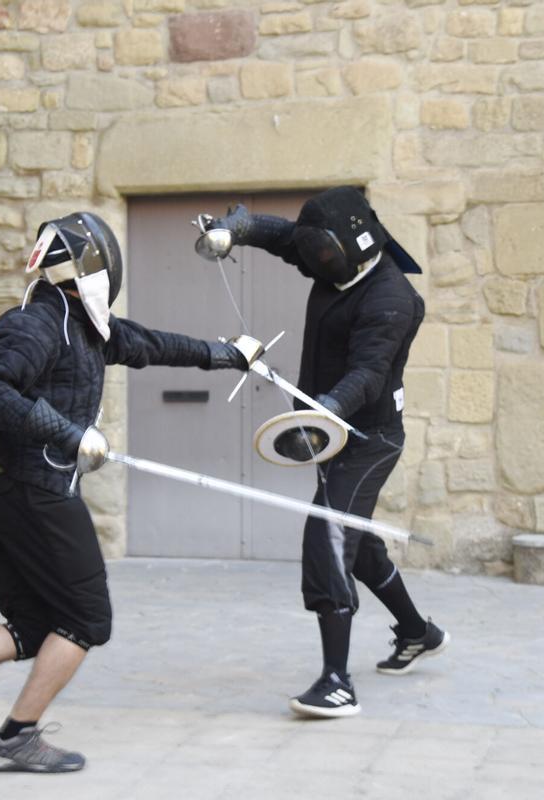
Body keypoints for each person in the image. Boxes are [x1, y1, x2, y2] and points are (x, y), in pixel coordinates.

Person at [0, 211, 247, 771]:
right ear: (92, 266)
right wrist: (69, 434)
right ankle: (14, 740)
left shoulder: (83, 324)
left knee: (32, 627)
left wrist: (227, 354)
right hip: (31, 491)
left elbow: (148, 344)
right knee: (86, 620)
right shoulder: (36, 324)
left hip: (13, 493)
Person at [206, 187, 449, 718]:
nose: (313, 259)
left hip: (368, 438)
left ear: (352, 245)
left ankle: (337, 681)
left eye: (322, 252)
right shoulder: (331, 259)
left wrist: (320, 413)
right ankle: (417, 631)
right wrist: (237, 230)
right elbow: (285, 238)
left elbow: (367, 374)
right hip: (327, 430)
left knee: (329, 531)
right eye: (314, 252)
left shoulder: (391, 299)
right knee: (358, 546)